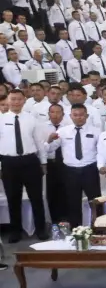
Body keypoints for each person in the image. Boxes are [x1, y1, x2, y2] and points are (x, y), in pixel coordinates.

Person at [0, 90, 49, 242]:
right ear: (8, 101)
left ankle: (40, 229)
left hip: (30, 161)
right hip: (8, 162)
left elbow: (39, 142)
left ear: (24, 100)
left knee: (36, 197)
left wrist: (43, 162)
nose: (16, 102)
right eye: (13, 99)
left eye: (19, 99)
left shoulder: (31, 119)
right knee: (13, 198)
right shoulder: (1, 119)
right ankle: (16, 231)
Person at [52, 104, 102, 228]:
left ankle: (99, 227)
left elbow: (101, 151)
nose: (79, 118)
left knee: (95, 201)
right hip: (70, 171)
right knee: (72, 201)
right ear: (70, 116)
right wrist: (48, 141)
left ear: (87, 116)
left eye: (81, 115)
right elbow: (50, 149)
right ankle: (76, 229)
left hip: (89, 169)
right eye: (75, 115)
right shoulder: (62, 131)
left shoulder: (96, 131)